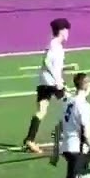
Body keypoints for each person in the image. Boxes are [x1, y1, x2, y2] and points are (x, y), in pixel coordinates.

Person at [22, 17, 71, 154]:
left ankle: (29, 140)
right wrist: (58, 81)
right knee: (70, 105)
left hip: (44, 82)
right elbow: (48, 62)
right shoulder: (55, 45)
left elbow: (54, 64)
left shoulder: (54, 45)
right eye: (67, 30)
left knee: (42, 111)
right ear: (62, 31)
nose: (68, 33)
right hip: (52, 83)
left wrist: (66, 68)